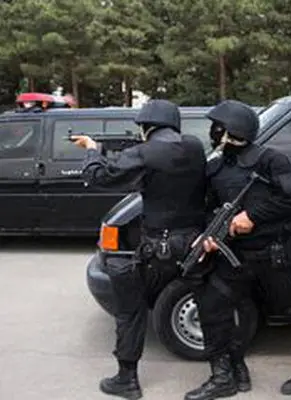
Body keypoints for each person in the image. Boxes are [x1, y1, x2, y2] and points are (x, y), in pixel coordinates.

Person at [184, 99, 291, 400]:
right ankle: (225, 374)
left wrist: (252, 216)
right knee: (212, 307)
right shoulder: (215, 167)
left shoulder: (270, 161)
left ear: (232, 130)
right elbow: (207, 208)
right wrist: (208, 234)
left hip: (275, 254)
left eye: (217, 127)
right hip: (234, 257)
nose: (213, 132)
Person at [72, 99, 208, 400]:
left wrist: (92, 150)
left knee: (130, 308)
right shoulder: (195, 147)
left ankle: (127, 379)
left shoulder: (144, 153)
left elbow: (99, 177)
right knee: (210, 304)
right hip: (193, 244)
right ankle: (226, 373)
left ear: (146, 127)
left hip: (158, 248)